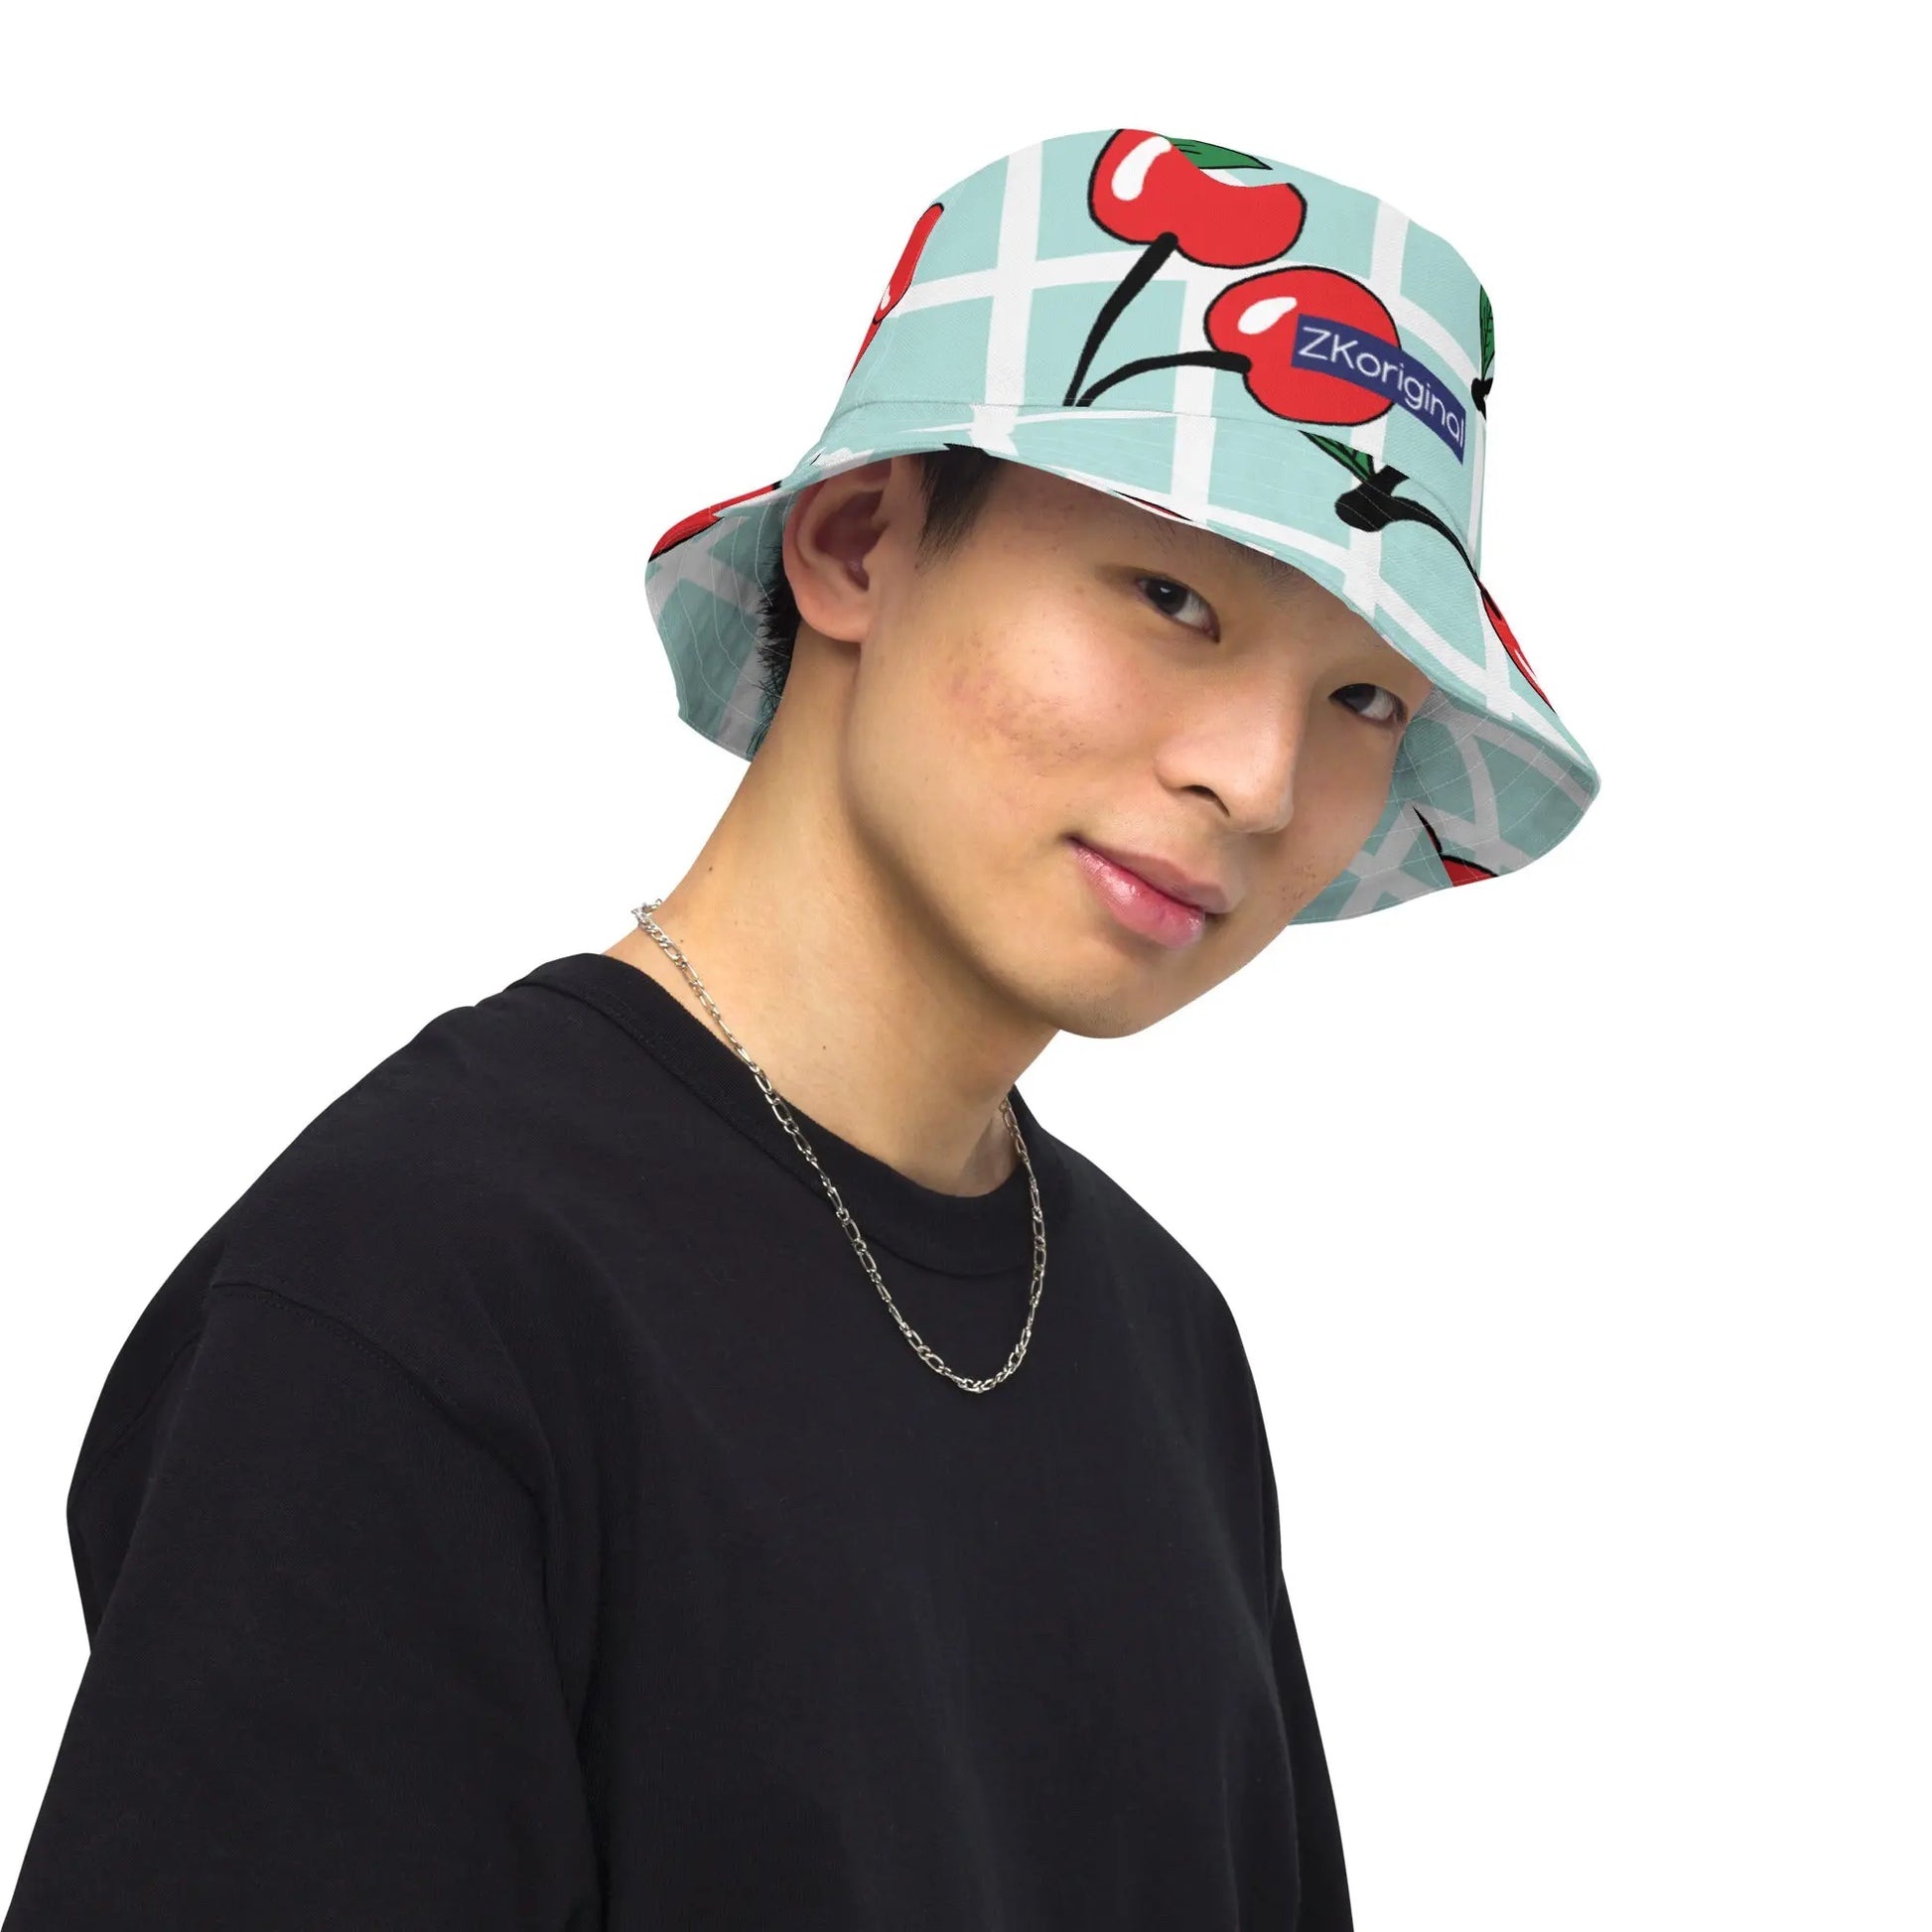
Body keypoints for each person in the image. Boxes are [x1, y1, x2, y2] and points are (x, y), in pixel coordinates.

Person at [3, 127, 1599, 1930]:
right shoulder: (420, 1288)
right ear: (858, 546)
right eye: (1173, 600)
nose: (1257, 776)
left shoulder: (1164, 1344)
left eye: (1362, 698)